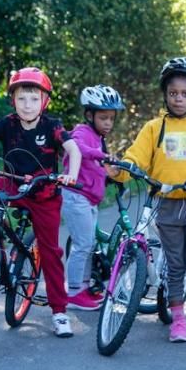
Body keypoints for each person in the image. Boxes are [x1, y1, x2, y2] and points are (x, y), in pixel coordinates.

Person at [0, 67, 81, 338]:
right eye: (21, 99)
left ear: (44, 101)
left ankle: (59, 312)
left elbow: (72, 149)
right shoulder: (8, 123)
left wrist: (71, 175)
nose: (27, 105)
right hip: (11, 182)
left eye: (34, 99)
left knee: (51, 252)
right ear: (13, 101)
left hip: (43, 193)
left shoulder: (51, 126)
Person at [112, 58, 186, 343]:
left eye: (185, 94)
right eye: (173, 93)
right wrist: (122, 170)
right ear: (165, 93)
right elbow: (137, 155)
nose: (178, 99)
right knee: (174, 264)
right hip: (166, 204)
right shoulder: (154, 127)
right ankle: (178, 320)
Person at [62, 84, 125, 311]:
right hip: (76, 196)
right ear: (89, 115)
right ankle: (73, 293)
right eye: (103, 117)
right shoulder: (82, 132)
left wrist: (113, 178)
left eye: (111, 118)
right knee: (83, 245)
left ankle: (83, 288)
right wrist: (102, 155)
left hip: (88, 199)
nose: (108, 123)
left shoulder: (98, 137)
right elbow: (76, 146)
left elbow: (96, 169)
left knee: (88, 245)